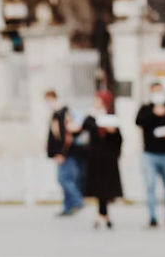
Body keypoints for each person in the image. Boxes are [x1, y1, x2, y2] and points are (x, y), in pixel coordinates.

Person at [135, 82, 165, 227]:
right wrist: (154, 113)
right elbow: (138, 122)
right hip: (149, 155)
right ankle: (152, 217)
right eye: (155, 91)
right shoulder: (146, 109)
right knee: (150, 186)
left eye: (160, 91)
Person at [80, 92, 123, 229]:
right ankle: (104, 215)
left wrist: (112, 131)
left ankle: (102, 214)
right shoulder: (90, 118)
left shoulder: (111, 118)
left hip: (108, 158)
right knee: (98, 187)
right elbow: (85, 128)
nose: (96, 103)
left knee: (107, 187)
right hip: (95, 158)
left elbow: (119, 139)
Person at [44, 90, 84, 217]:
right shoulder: (56, 114)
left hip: (66, 154)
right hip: (63, 154)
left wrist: (61, 153)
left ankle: (77, 201)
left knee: (64, 179)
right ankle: (68, 207)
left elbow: (66, 136)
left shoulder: (63, 113)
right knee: (66, 179)